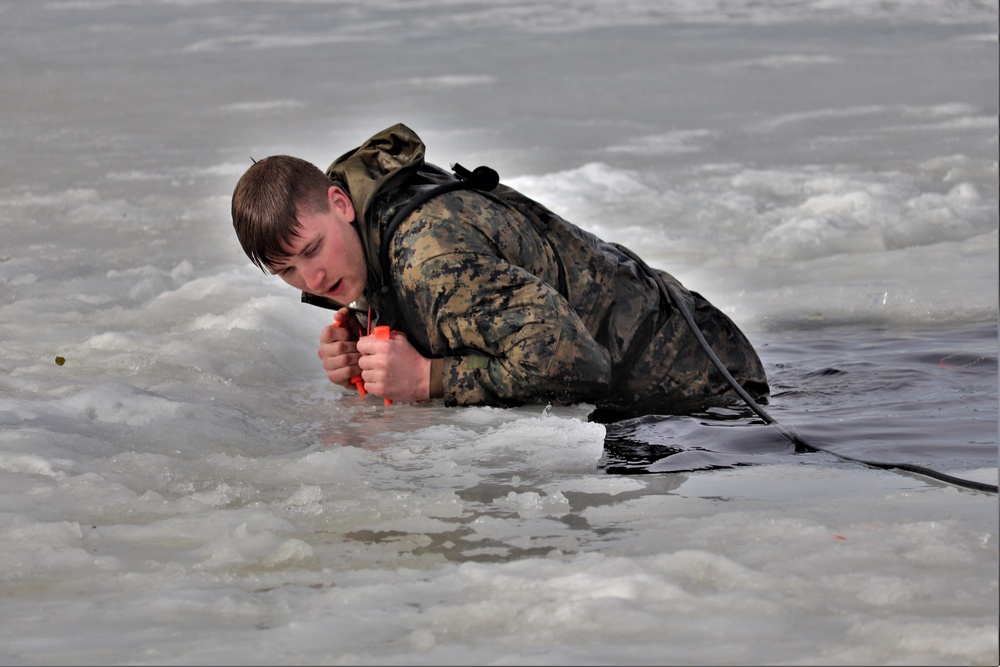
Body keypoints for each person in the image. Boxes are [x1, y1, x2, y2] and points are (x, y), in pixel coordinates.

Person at [231, 123, 769, 420]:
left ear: (340, 204)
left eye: (313, 249)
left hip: (705, 400)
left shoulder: (430, 259)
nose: (313, 278)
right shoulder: (373, 232)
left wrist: (425, 379)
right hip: (672, 373)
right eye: (287, 271)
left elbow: (578, 363)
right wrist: (364, 340)